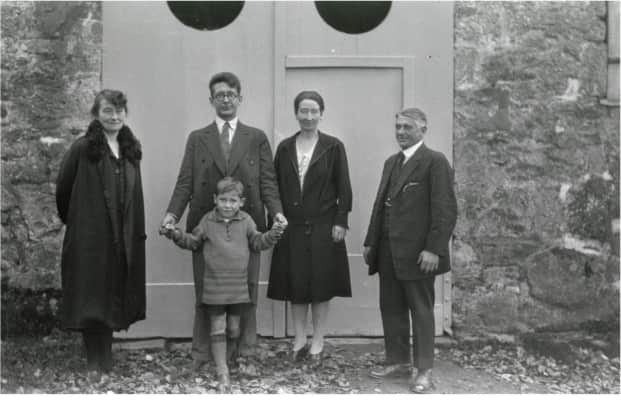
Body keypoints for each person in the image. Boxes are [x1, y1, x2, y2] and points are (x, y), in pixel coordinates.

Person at [162, 72, 286, 365]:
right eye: (220, 95)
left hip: (247, 227)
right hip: (206, 228)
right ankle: (202, 353)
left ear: (240, 98)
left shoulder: (256, 137)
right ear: (211, 100)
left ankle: (245, 353)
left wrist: (277, 212)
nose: (226, 100)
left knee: (247, 292)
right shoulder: (198, 138)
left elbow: (268, 181)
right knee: (206, 292)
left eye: (231, 94)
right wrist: (172, 215)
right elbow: (185, 181)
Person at [363, 107, 457, 393]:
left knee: (421, 310)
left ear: (423, 130)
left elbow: (445, 210)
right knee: (391, 307)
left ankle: (423, 369)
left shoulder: (434, 162)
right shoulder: (391, 162)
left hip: (419, 254)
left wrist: (433, 249)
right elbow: (380, 205)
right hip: (388, 250)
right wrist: (371, 242)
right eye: (398, 127)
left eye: (407, 127)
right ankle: (398, 361)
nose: (401, 132)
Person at [162, 177, 284, 392]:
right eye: (223, 200)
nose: (228, 205)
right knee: (217, 327)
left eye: (233, 201)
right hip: (214, 287)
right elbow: (193, 242)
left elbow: (258, 242)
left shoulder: (246, 221)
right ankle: (222, 372)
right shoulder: (207, 221)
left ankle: (228, 356)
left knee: (234, 328)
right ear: (215, 199)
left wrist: (274, 233)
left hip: (237, 288)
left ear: (241, 202)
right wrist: (175, 234)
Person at [55, 89, 146, 378]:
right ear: (96, 114)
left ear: (125, 114)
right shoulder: (83, 149)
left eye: (119, 110)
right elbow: (63, 190)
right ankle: (93, 359)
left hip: (122, 234)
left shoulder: (130, 149)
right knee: (92, 293)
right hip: (92, 235)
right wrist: (81, 223)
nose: (114, 116)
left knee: (112, 291)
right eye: (108, 110)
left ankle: (106, 356)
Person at [267, 90, 353, 364]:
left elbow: (344, 187)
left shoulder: (333, 147)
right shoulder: (284, 148)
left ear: (321, 114)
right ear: (296, 114)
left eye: (314, 111)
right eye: (303, 111)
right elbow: (274, 187)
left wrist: (341, 221)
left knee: (320, 285)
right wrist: (276, 218)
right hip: (292, 227)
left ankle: (318, 341)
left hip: (323, 226)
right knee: (296, 284)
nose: (308, 116)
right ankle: (299, 339)